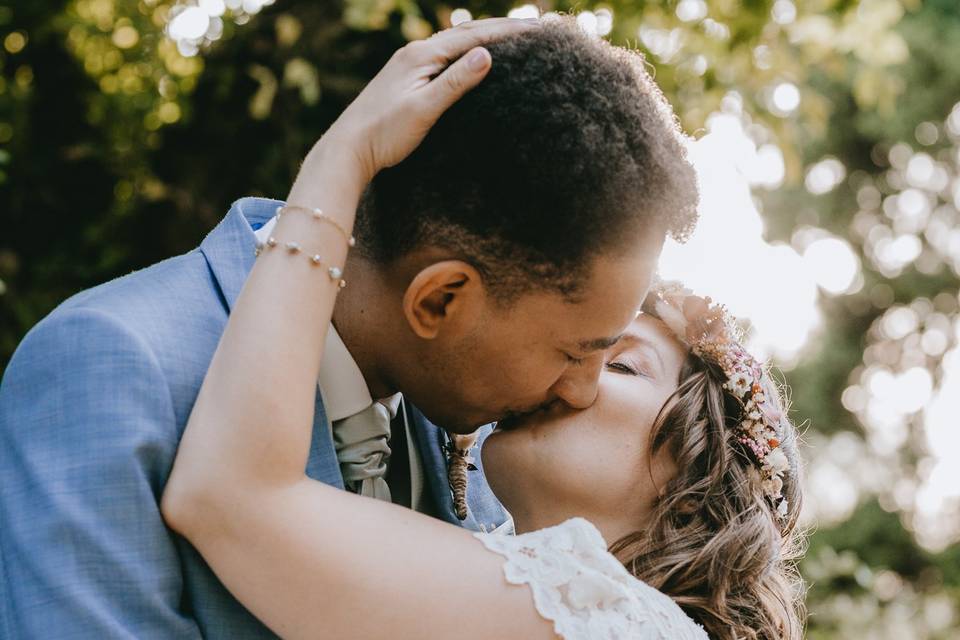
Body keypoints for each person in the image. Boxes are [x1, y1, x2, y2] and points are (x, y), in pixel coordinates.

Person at [0, 16, 699, 638]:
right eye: (577, 352)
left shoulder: (495, 452)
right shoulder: (112, 366)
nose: (578, 391)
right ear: (440, 301)